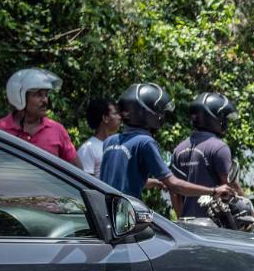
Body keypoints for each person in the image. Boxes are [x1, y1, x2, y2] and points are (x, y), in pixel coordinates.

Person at [99, 82, 231, 201]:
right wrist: (213, 191)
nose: (161, 116)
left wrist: (156, 182)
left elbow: (125, 180)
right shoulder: (145, 142)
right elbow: (173, 184)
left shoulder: (110, 141)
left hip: (106, 213)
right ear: (147, 113)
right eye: (159, 112)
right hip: (126, 218)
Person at [169, 92, 238, 219]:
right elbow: (230, 187)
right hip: (214, 227)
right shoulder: (219, 147)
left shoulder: (179, 149)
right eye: (224, 118)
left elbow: (174, 192)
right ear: (215, 119)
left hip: (187, 227)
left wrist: (182, 219)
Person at [0, 68, 80, 167]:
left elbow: (78, 172)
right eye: (38, 95)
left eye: (46, 95)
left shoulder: (57, 130)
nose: (45, 101)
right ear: (19, 97)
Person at [78, 98, 121, 176]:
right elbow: (85, 183)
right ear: (105, 118)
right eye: (115, 114)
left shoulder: (117, 145)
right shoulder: (88, 149)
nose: (119, 117)